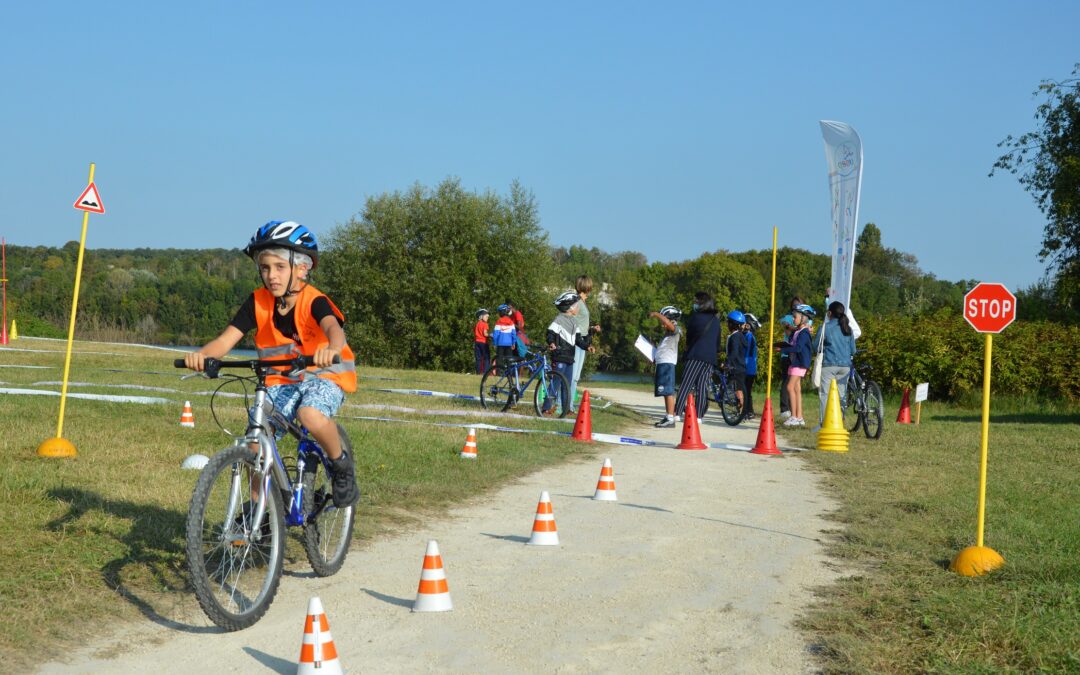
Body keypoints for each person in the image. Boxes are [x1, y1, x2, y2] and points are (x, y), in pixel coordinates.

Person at [182, 220, 359, 507]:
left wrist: (333, 348)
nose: (271, 275)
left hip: (324, 374)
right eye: (265, 268)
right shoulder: (258, 302)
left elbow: (333, 328)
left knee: (309, 415)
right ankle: (259, 512)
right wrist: (202, 356)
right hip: (281, 380)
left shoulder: (314, 301)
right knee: (255, 444)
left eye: (279, 267)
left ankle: (341, 465)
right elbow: (225, 341)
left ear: (301, 268)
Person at [543, 291, 598, 415]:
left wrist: (587, 346)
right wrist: (551, 342)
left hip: (569, 358)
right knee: (556, 382)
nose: (578, 307)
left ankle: (566, 408)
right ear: (570, 308)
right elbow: (550, 333)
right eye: (576, 305)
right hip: (559, 356)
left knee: (567, 385)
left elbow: (578, 340)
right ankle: (546, 407)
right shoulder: (559, 320)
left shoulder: (574, 322)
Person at [673, 291, 721, 421]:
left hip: (696, 355)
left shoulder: (696, 317)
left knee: (686, 383)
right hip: (710, 358)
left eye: (696, 302)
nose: (694, 304)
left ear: (702, 304)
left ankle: (678, 413)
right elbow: (718, 342)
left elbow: (690, 336)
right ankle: (699, 416)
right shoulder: (716, 320)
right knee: (702, 387)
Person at [815, 301, 857, 430]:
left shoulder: (825, 327)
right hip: (845, 366)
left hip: (829, 364)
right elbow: (853, 350)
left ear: (829, 313)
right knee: (841, 394)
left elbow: (815, 346)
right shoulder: (848, 329)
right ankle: (839, 422)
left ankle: (824, 424)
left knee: (825, 394)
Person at [569, 275, 600, 412]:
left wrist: (592, 328)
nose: (590, 290)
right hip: (577, 342)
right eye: (589, 286)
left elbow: (581, 324)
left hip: (582, 342)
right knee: (572, 376)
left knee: (576, 377)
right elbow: (571, 321)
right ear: (585, 287)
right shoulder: (577, 302)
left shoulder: (582, 302)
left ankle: (569, 405)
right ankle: (565, 405)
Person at [781, 304, 815, 427]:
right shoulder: (798, 331)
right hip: (795, 362)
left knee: (790, 387)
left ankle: (794, 417)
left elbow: (798, 348)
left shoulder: (804, 333)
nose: (793, 319)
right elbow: (793, 344)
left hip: (799, 363)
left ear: (804, 318)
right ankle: (799, 417)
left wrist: (783, 350)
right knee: (796, 389)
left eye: (795, 317)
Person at [648, 305, 682, 427]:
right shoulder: (666, 335)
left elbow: (669, 324)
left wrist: (656, 314)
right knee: (665, 391)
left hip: (667, 364)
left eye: (663, 320)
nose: (662, 325)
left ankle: (670, 418)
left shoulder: (676, 329)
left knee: (668, 391)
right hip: (662, 363)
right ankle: (668, 416)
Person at [724, 310, 749, 414]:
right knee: (739, 388)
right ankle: (741, 411)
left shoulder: (734, 337)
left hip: (735, 366)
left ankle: (741, 412)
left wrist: (727, 362)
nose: (727, 325)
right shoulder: (741, 336)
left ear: (732, 324)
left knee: (738, 390)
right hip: (741, 366)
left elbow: (733, 352)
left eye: (728, 322)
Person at [777, 314, 796, 420]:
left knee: (793, 384)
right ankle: (784, 409)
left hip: (794, 357)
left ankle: (792, 409)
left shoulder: (804, 321)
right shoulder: (788, 318)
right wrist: (791, 327)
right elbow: (785, 325)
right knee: (786, 382)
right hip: (786, 356)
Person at [742, 313, 760, 420]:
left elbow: (747, 354)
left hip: (748, 368)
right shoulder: (748, 336)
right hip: (749, 369)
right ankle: (749, 411)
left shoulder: (749, 337)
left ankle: (748, 411)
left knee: (746, 391)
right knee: (746, 391)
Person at [492, 304, 518, 372]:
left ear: (502, 312)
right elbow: (514, 334)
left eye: (499, 312)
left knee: (499, 359)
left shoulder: (499, 321)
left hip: (500, 343)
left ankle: (499, 373)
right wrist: (513, 343)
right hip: (509, 344)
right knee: (509, 359)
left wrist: (494, 343)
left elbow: (496, 334)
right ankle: (509, 372)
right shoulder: (511, 322)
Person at [473, 308, 490, 375]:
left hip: (477, 342)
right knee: (486, 358)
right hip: (483, 342)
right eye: (486, 316)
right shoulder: (485, 324)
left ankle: (478, 372)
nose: (487, 318)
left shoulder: (477, 324)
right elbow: (485, 334)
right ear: (481, 316)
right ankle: (485, 373)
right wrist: (491, 335)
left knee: (478, 359)